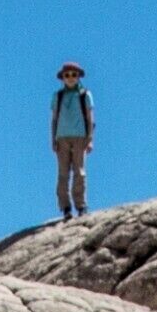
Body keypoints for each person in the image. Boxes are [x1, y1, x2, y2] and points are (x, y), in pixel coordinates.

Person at [50, 66, 93, 218]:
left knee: (79, 172)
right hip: (62, 137)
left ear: (78, 77)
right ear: (62, 78)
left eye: (74, 75)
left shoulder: (85, 95)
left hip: (80, 137)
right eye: (67, 75)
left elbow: (90, 118)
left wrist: (90, 139)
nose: (70, 78)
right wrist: (53, 138)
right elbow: (54, 119)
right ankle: (66, 208)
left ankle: (81, 206)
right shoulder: (58, 96)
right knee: (63, 173)